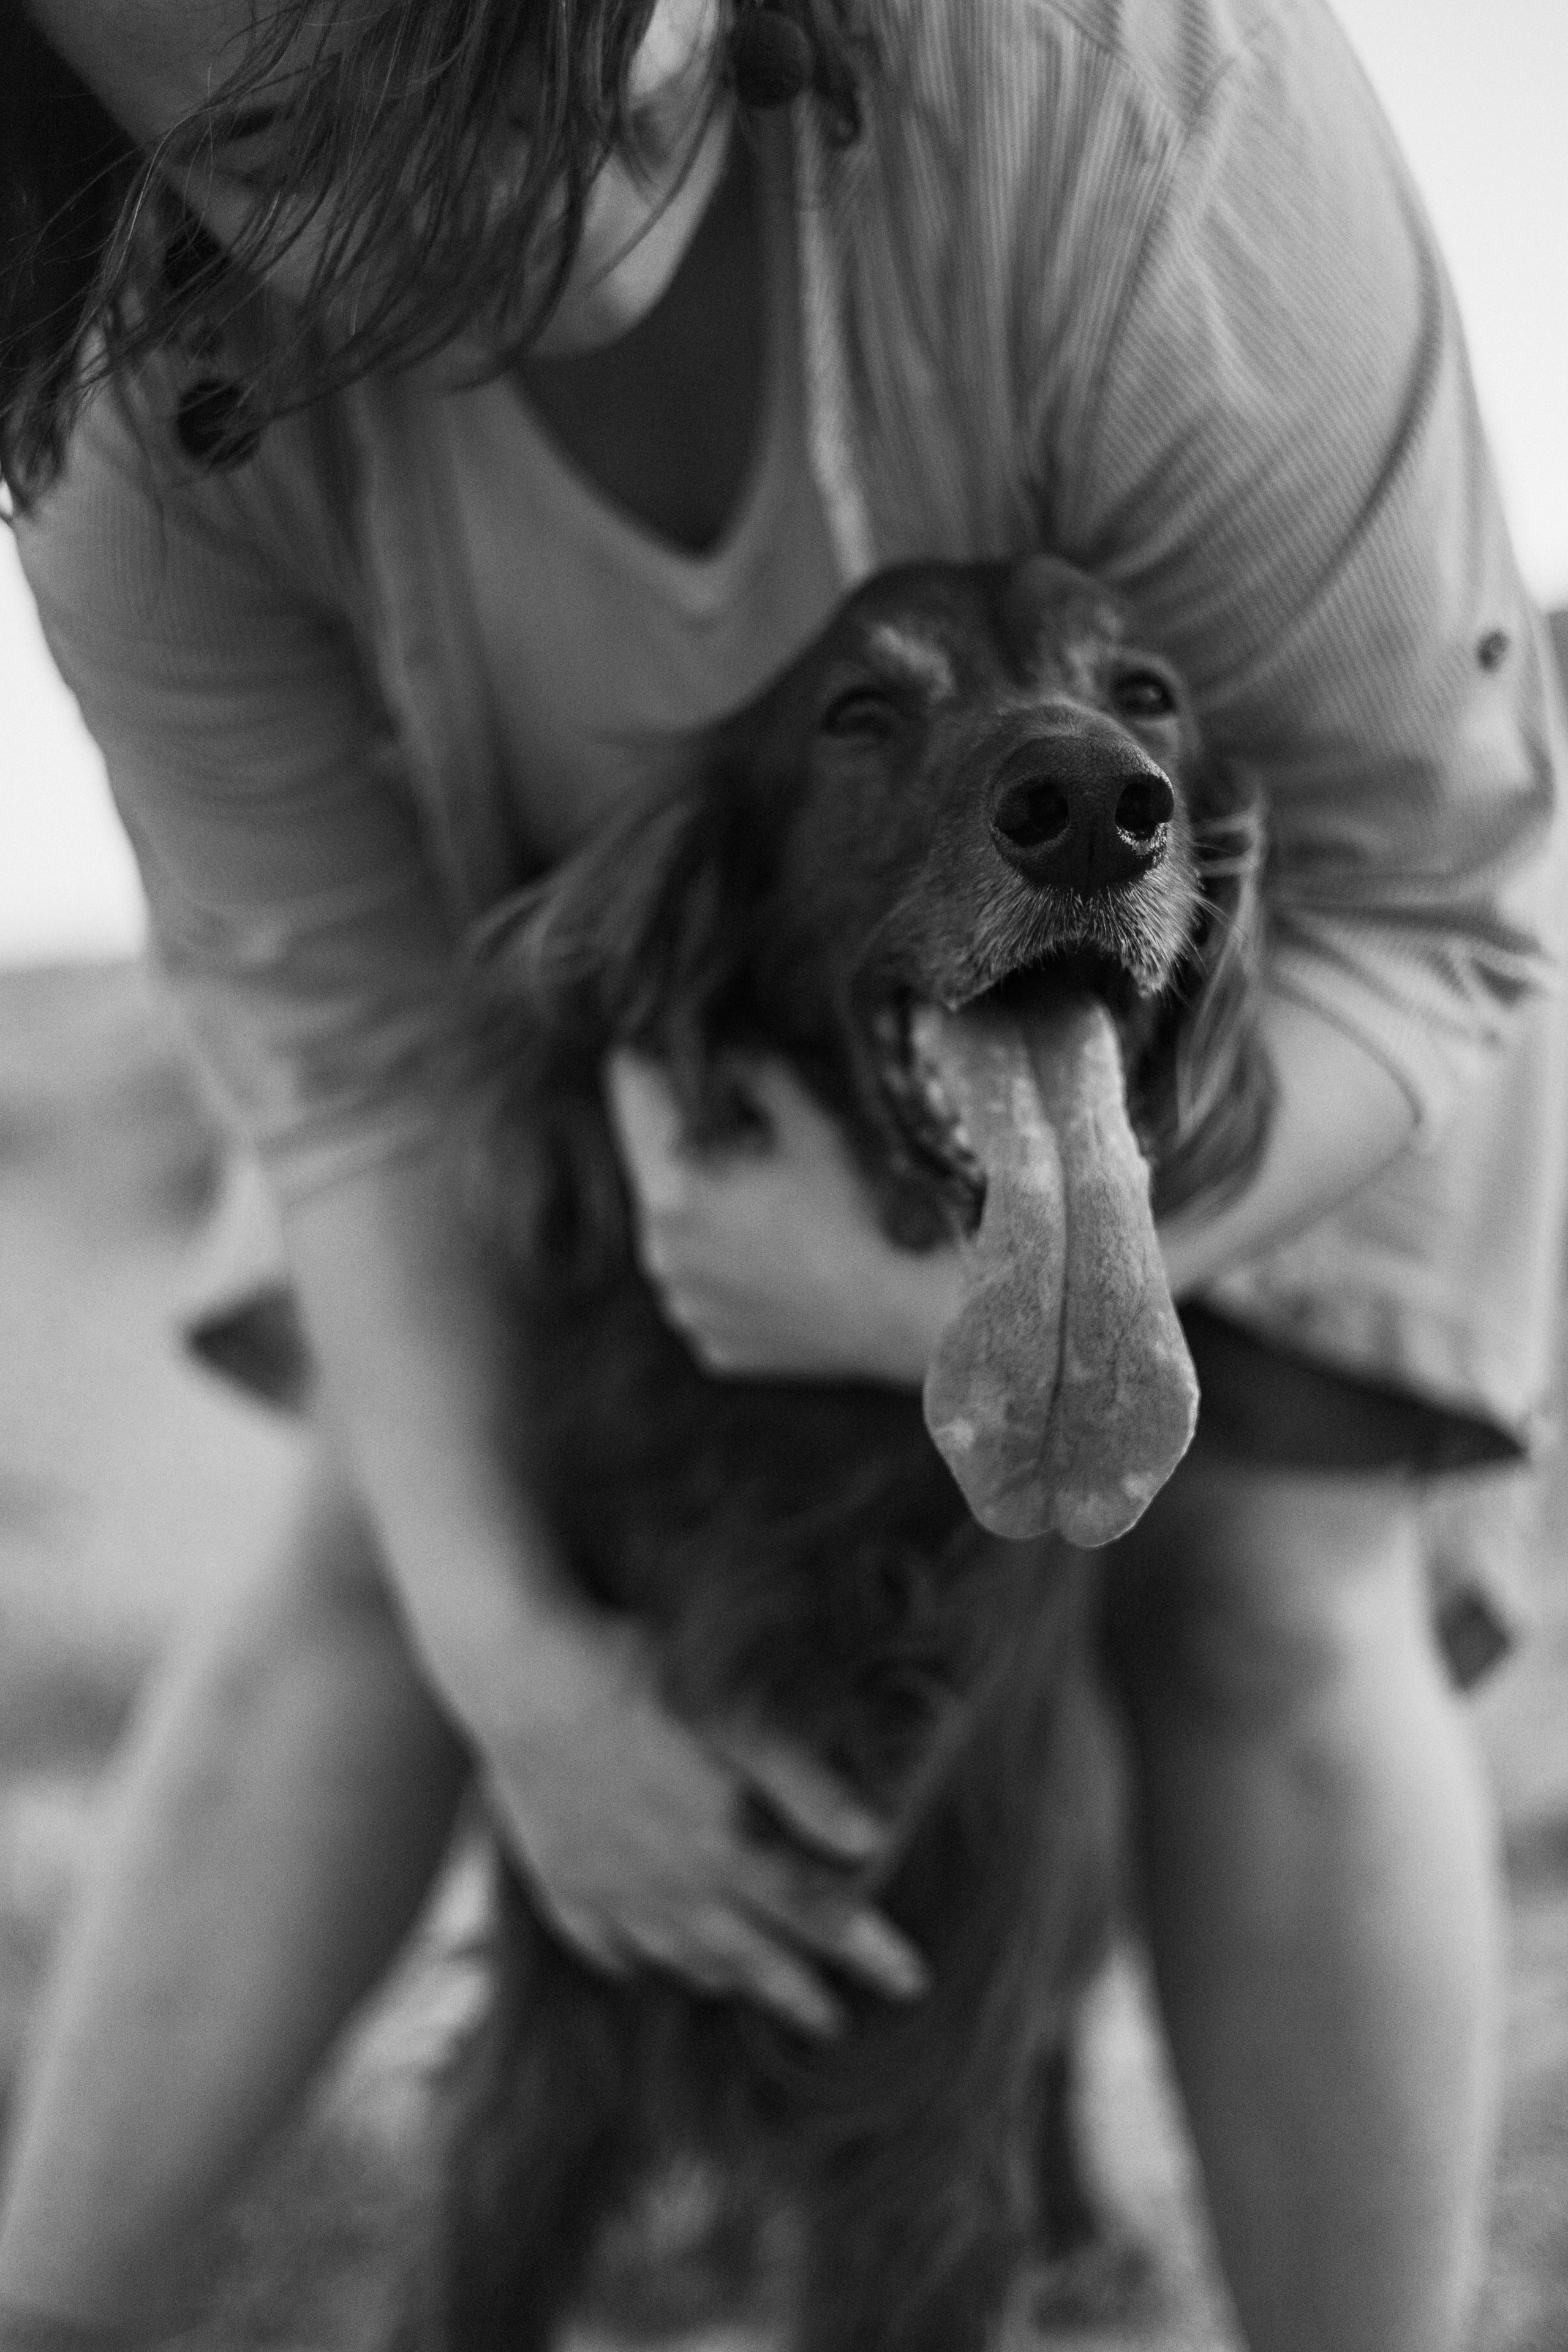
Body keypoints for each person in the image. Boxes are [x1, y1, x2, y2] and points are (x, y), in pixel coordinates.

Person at [1, 2, 1564, 2348]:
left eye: (538, 38)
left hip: (1330, 910)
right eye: (283, 131)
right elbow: (351, 1073)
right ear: (90, 138)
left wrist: (979, 1300)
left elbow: (1433, 892)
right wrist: (524, 1674)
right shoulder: (138, 426)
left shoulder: (1137, 96)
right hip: (624, 951)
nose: (516, 156)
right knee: (388, 1535)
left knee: (1269, 1576)